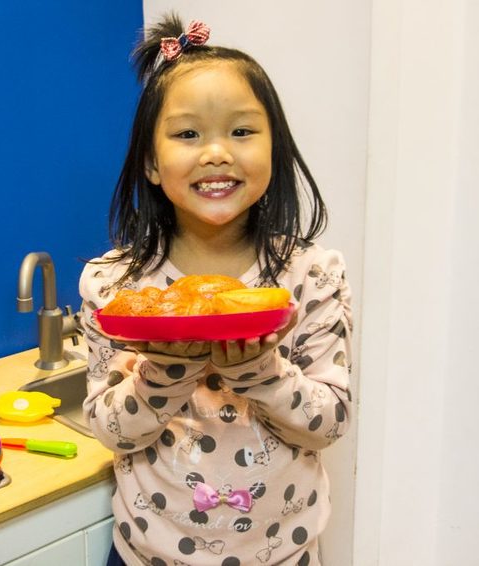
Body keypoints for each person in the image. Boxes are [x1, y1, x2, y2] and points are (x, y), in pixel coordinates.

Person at [79, 14, 352, 566]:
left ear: (274, 152)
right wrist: (165, 369)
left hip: (284, 557)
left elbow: (330, 423)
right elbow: (110, 430)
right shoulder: (114, 285)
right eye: (187, 134)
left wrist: (260, 371)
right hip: (147, 557)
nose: (216, 152)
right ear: (153, 163)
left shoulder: (311, 276)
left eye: (242, 131)